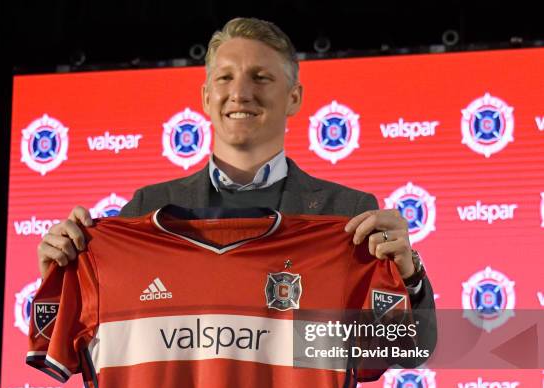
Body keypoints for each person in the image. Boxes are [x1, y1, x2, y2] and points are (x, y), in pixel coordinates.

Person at [36, 18, 433, 311]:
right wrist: (62, 278)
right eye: (225, 79)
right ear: (207, 98)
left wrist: (409, 279)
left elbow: (395, 350)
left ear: (294, 98)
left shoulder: (347, 215)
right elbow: (90, 340)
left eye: (260, 77)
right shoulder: (146, 210)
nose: (240, 93)